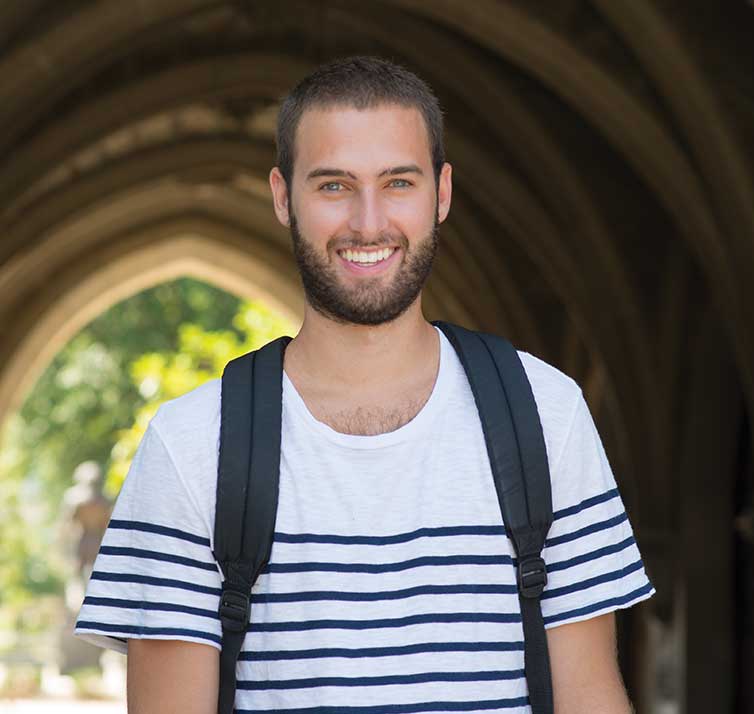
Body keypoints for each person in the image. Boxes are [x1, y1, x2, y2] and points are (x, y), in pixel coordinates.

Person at [74, 55, 654, 713]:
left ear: (441, 192)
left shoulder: (547, 417)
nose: (369, 222)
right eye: (333, 186)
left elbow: (589, 698)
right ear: (281, 196)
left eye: (398, 183)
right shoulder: (189, 449)